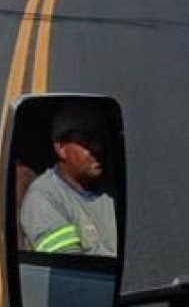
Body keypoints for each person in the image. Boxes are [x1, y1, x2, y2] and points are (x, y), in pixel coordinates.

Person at [18, 103, 117, 256]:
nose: (98, 148)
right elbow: (68, 269)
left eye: (101, 138)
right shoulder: (43, 198)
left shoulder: (112, 188)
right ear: (61, 148)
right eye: (87, 140)